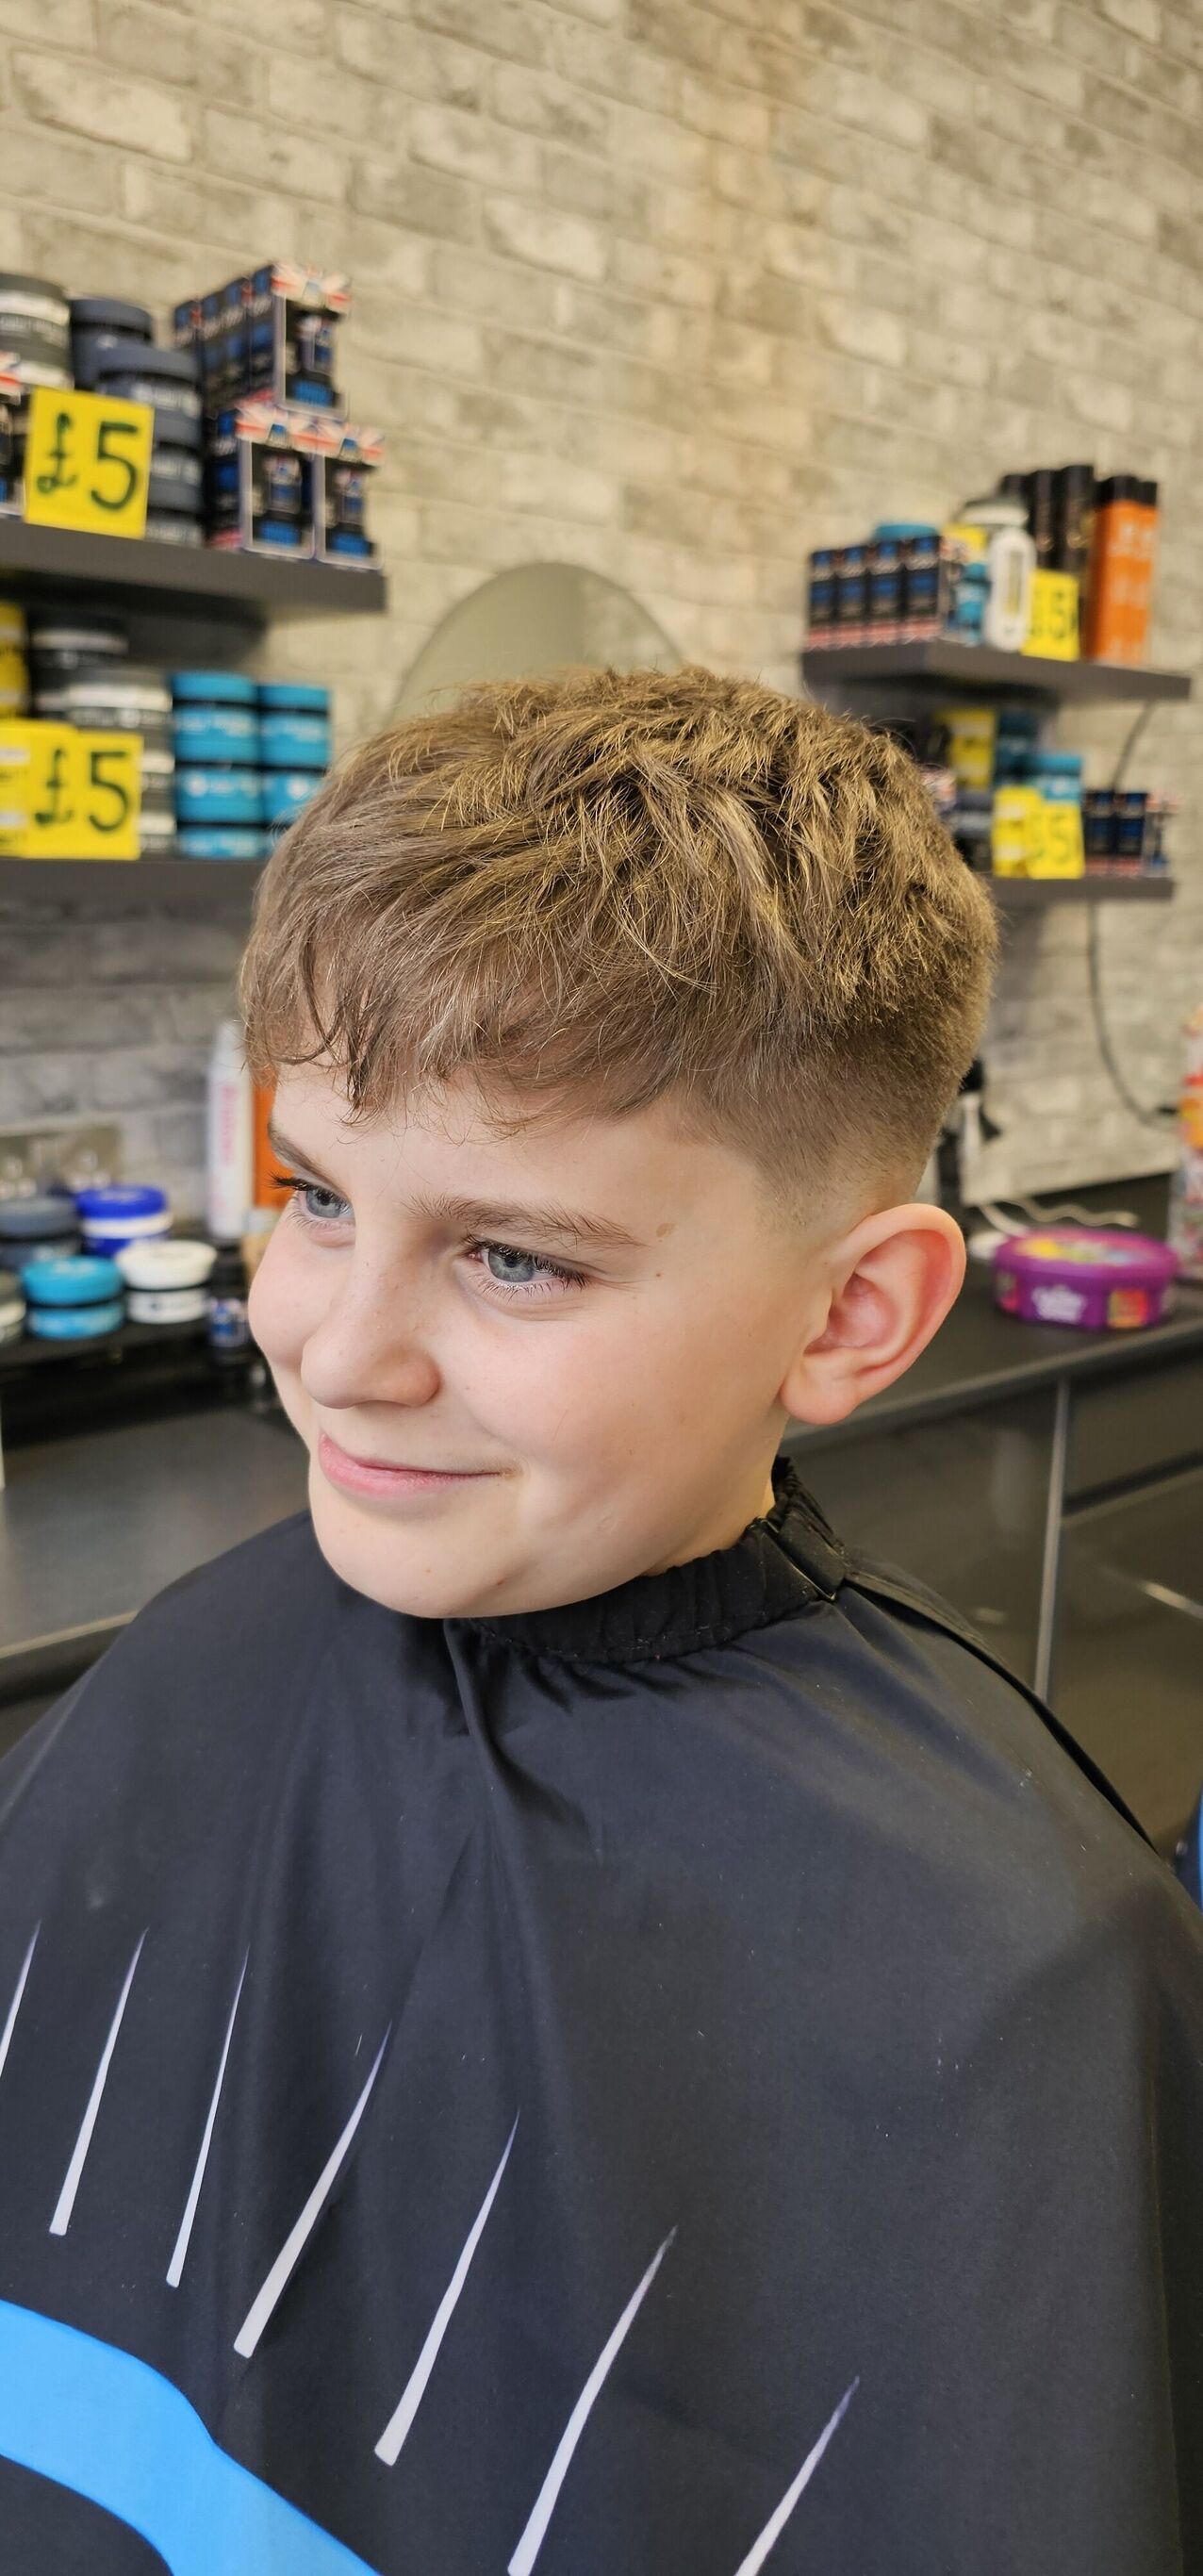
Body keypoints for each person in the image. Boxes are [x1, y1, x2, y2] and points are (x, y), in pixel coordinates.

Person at [0, 668, 1198, 2575]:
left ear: (848, 1318)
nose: (335, 1350)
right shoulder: (185, 1672)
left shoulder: (1017, 1974)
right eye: (316, 1196)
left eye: (510, 1256)